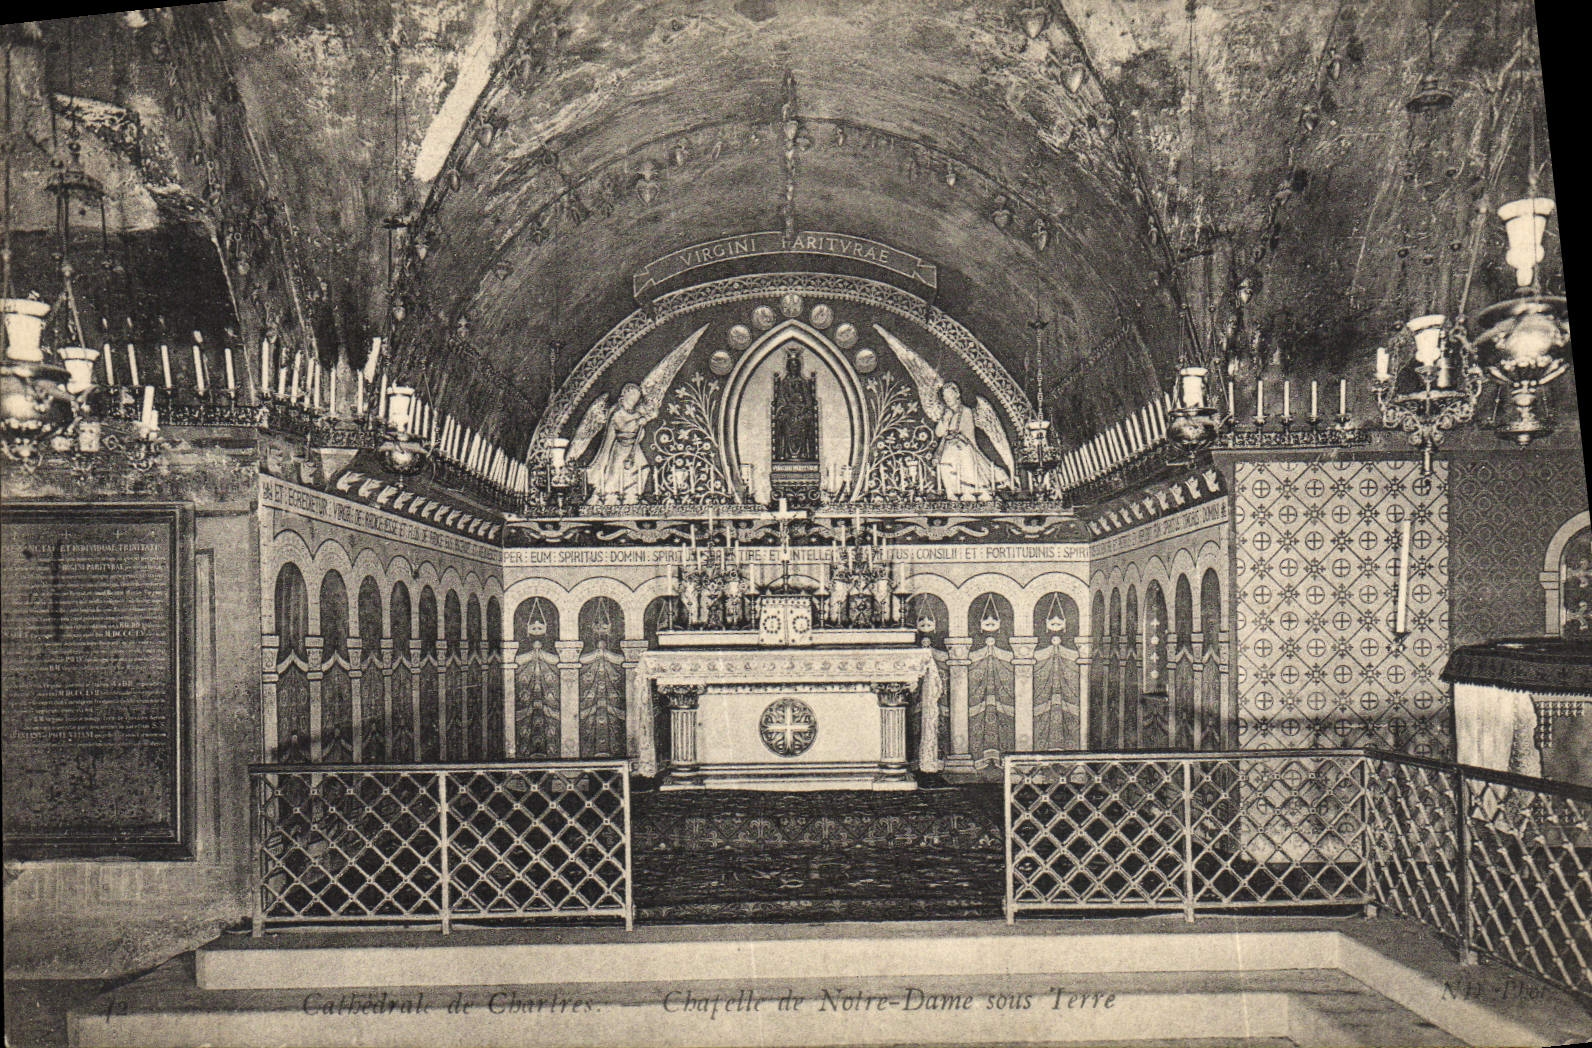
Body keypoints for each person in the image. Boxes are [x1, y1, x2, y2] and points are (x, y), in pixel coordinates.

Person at [935, 383, 1007, 500]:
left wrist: (958, 439)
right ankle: (952, 496)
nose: (947, 398)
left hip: (964, 448)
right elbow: (939, 433)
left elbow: (968, 434)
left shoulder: (966, 411)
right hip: (949, 448)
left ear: (957, 394)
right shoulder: (946, 413)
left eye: (949, 394)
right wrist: (945, 419)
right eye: (944, 396)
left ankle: (971, 497)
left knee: (966, 468)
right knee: (944, 465)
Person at [585, 383, 653, 505]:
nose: (634, 399)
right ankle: (612, 499)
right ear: (625, 395)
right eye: (632, 396)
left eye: (637, 397)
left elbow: (640, 435)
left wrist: (641, 427)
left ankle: (633, 497)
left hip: (633, 447)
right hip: (620, 447)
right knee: (616, 475)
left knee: (643, 469)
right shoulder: (617, 413)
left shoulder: (636, 414)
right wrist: (638, 422)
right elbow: (621, 425)